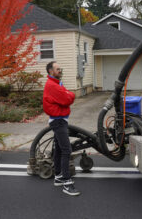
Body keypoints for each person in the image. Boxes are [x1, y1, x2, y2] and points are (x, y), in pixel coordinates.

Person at [43, 61, 80, 196]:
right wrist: (70, 95)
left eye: (60, 68)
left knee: (59, 149)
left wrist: (67, 94)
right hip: (58, 121)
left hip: (60, 120)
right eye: (57, 69)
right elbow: (67, 98)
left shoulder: (57, 83)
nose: (60, 70)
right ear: (50, 71)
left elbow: (65, 96)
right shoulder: (52, 85)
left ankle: (58, 176)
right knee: (66, 150)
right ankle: (67, 183)